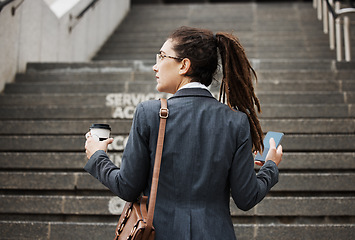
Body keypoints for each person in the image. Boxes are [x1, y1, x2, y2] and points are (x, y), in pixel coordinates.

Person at [84, 26, 283, 239]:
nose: (155, 66)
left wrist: (97, 156)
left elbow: (127, 187)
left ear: (184, 65)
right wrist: (270, 165)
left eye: (162, 57)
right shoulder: (236, 121)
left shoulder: (148, 113)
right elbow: (246, 198)